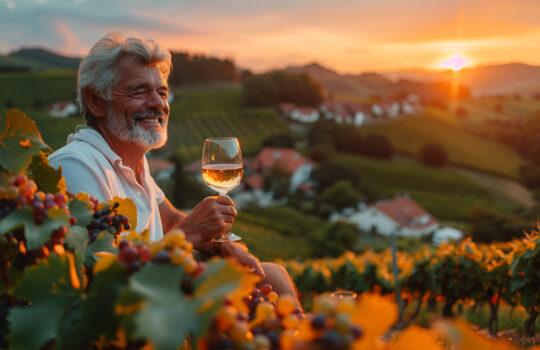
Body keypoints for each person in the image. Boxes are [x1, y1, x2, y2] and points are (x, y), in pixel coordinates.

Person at [48, 32, 300, 308]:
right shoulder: (75, 167)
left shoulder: (134, 162)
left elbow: (169, 220)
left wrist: (218, 244)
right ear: (96, 101)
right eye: (139, 91)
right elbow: (105, 283)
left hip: (162, 293)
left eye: (162, 92)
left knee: (274, 275)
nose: (158, 103)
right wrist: (191, 232)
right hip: (136, 313)